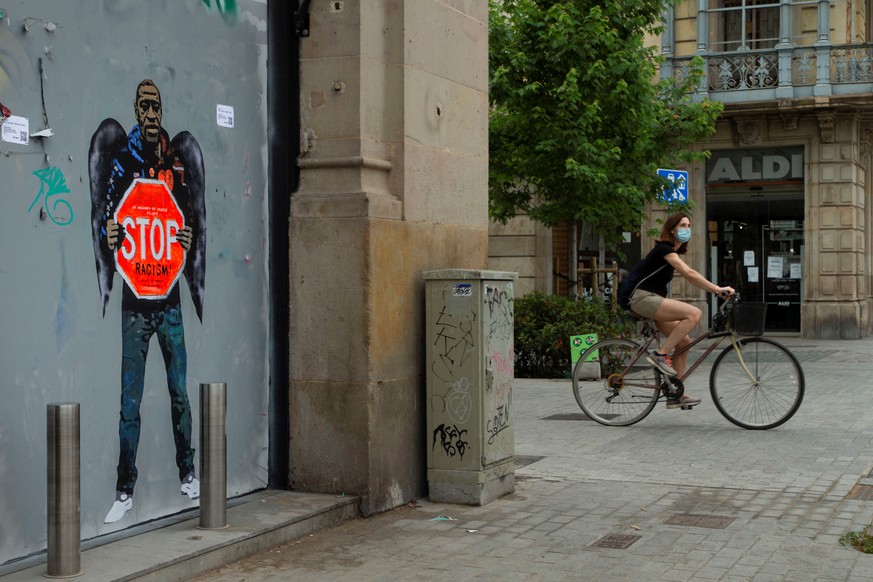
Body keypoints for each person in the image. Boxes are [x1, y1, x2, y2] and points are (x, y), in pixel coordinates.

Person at [89, 79, 207, 523]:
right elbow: (108, 213)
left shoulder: (176, 161)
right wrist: (110, 233)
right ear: (136, 111)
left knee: (179, 392)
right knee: (130, 401)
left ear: (162, 109)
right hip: (135, 302)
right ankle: (125, 488)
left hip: (171, 298)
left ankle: (188, 473)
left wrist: (188, 234)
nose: (151, 112)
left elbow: (188, 215)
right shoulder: (123, 160)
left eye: (156, 105)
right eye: (144, 105)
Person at [622, 212, 734, 408]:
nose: (687, 229)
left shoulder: (670, 252)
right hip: (641, 298)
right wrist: (717, 289)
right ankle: (661, 355)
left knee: (684, 343)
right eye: (683, 225)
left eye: (689, 225)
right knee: (694, 313)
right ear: (672, 229)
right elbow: (689, 274)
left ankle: (675, 393)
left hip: (653, 299)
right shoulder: (663, 249)